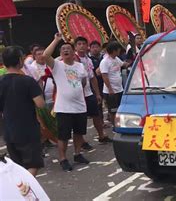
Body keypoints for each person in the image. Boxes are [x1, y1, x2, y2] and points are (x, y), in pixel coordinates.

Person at [43, 33, 90, 171]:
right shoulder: (57, 65)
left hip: (80, 106)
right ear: (60, 53)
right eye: (63, 49)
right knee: (63, 136)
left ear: (73, 51)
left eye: (68, 48)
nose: (65, 50)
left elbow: (83, 80)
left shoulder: (79, 66)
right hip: (63, 108)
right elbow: (45, 55)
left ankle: (77, 154)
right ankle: (63, 158)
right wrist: (56, 39)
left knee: (79, 133)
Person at [0, 46, 46, 176]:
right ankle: (23, 194)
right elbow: (41, 104)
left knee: (18, 168)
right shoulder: (27, 81)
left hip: (9, 131)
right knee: (33, 165)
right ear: (20, 61)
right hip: (28, 130)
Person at [74, 37, 112, 145]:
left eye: (83, 44)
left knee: (96, 114)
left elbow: (92, 77)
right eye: (79, 44)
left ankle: (101, 135)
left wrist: (97, 94)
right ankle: (81, 141)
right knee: (80, 119)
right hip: (77, 95)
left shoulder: (88, 60)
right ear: (75, 47)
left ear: (87, 47)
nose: (81, 46)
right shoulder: (72, 59)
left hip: (89, 93)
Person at [99, 41, 128, 126]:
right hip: (110, 91)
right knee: (113, 110)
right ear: (114, 50)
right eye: (118, 49)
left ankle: (119, 124)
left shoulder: (116, 59)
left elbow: (123, 64)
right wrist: (110, 89)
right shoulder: (105, 61)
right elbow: (104, 76)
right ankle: (114, 126)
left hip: (119, 89)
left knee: (120, 109)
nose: (119, 51)